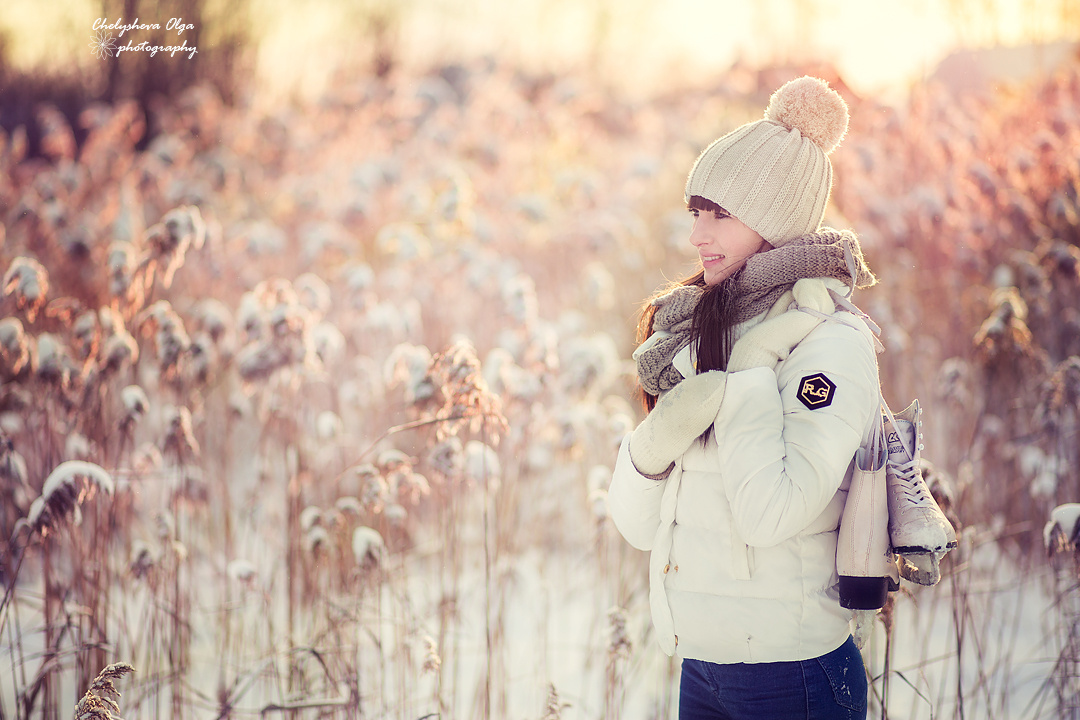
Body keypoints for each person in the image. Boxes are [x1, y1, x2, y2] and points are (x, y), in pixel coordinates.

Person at [608, 76, 879, 719]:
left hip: (793, 678)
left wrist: (752, 375)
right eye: (695, 212)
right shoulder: (697, 329)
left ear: (778, 217)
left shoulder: (829, 345)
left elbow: (770, 516)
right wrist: (653, 442)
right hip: (702, 670)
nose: (699, 235)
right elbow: (638, 528)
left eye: (721, 214)